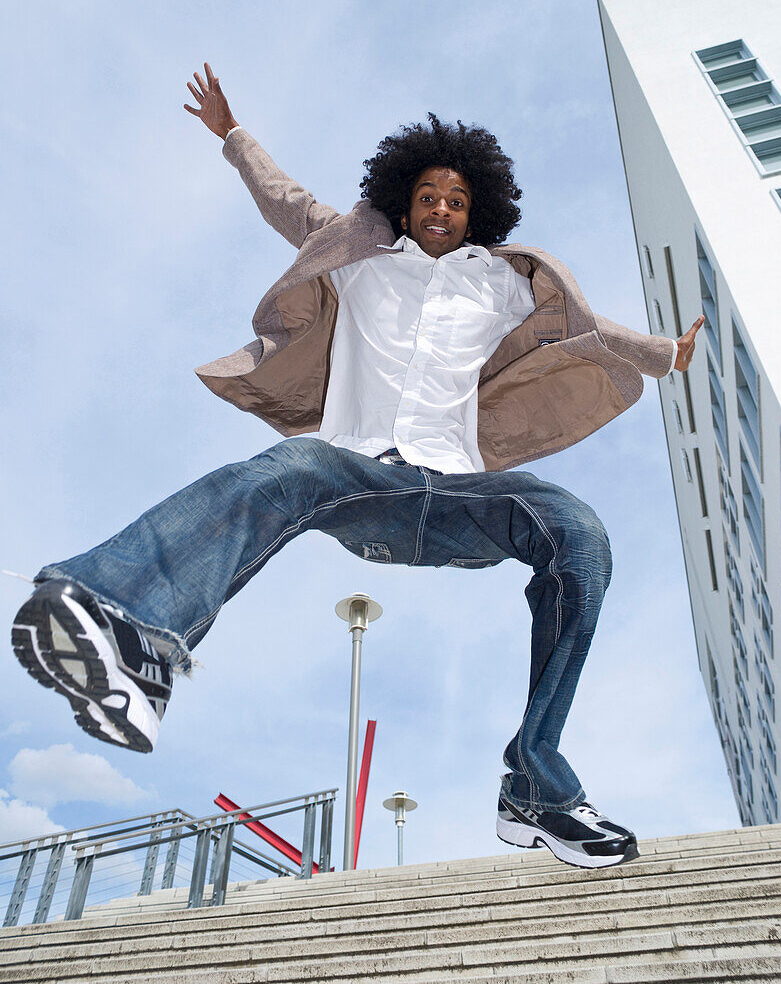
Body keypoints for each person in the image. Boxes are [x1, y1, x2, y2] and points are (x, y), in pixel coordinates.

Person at [11, 63, 703, 870]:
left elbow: (587, 330)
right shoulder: (356, 253)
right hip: (360, 478)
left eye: (456, 201)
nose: (441, 210)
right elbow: (285, 199)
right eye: (428, 198)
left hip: (457, 493)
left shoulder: (502, 286)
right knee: (290, 468)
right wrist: (234, 137)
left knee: (576, 530)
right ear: (403, 201)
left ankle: (536, 788)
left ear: (475, 209)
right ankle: (123, 628)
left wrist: (663, 356)